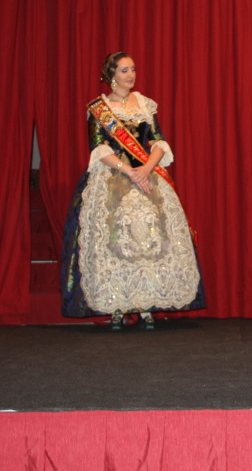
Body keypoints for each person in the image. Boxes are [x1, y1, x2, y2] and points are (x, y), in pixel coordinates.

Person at [61, 52, 204, 329]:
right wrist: (129, 171)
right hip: (113, 177)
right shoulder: (99, 108)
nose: (131, 75)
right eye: (124, 70)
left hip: (147, 175)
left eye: (133, 69)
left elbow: (159, 141)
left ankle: (146, 303)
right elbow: (98, 148)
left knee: (153, 238)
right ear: (111, 75)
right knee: (114, 239)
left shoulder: (145, 104)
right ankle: (117, 302)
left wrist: (146, 168)